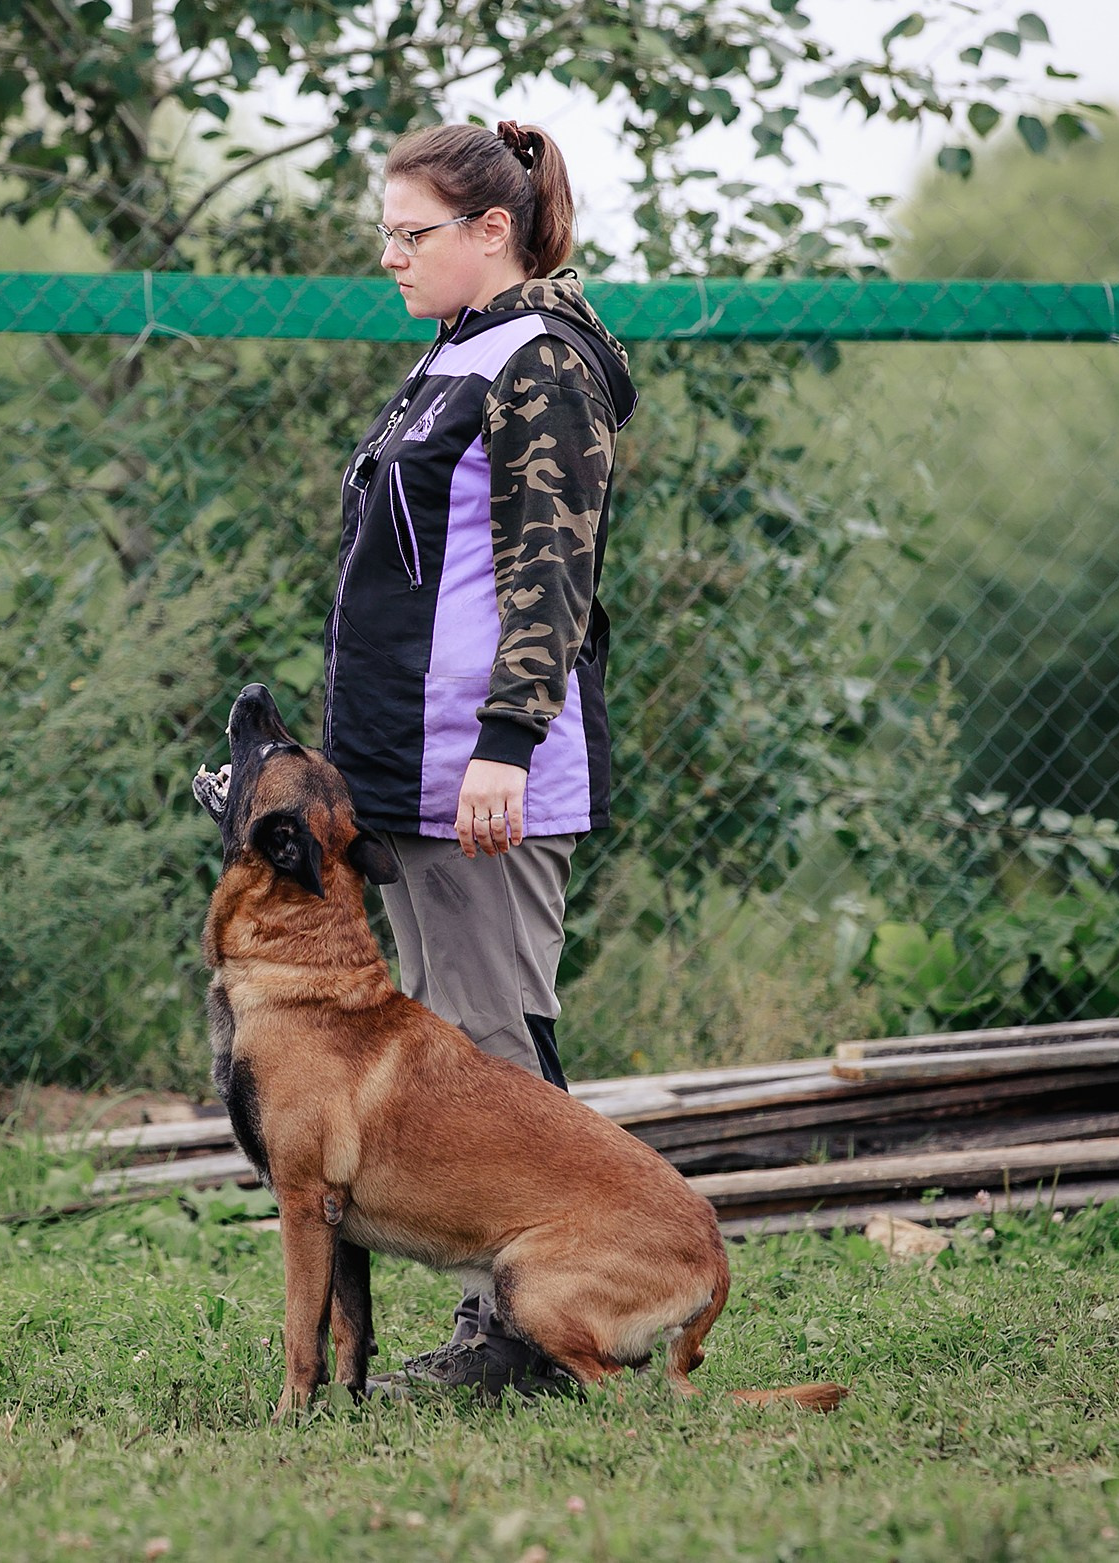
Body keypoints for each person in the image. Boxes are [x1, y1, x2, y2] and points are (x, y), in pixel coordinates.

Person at [325, 119, 639, 1395]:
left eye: (410, 235)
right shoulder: (457, 353)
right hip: (405, 761)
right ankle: (496, 1323)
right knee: (445, 1060)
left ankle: (532, 1342)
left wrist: (506, 743)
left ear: (490, 231)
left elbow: (550, 573)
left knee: (495, 1061)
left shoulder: (542, 363)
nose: (388, 259)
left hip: (485, 773)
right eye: (385, 235)